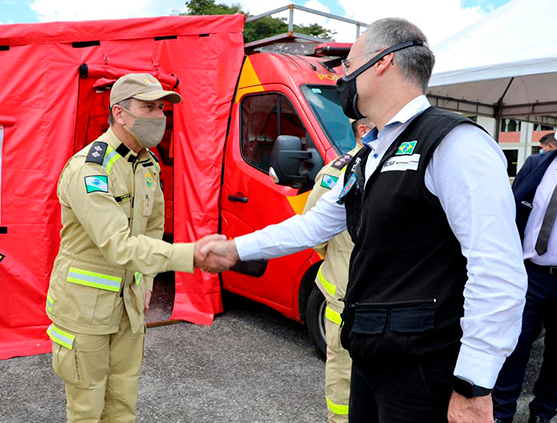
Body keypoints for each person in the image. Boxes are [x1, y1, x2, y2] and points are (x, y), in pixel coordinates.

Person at [200, 17, 527, 423]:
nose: (342, 77)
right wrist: (235, 248)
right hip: (372, 358)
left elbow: (497, 271)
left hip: (424, 370)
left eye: (349, 65)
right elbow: (315, 224)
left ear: (383, 62)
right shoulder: (368, 154)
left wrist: (474, 387)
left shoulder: (456, 144)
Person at [46, 73, 229, 423]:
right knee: (87, 409)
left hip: (127, 304)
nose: (158, 116)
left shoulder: (148, 163)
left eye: (161, 108)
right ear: (119, 113)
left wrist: (145, 281)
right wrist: (190, 255)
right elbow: (118, 245)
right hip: (85, 310)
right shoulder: (91, 169)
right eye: (148, 107)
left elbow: (153, 228)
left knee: (123, 404)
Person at [492, 101, 557, 423]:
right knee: (514, 345)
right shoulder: (536, 164)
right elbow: (511, 215)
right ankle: (501, 412)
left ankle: (543, 413)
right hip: (529, 275)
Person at [303, 117, 372, 423]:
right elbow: (313, 227)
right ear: (363, 129)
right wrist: (339, 260)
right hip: (345, 295)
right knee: (343, 376)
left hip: (387, 300)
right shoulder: (338, 171)